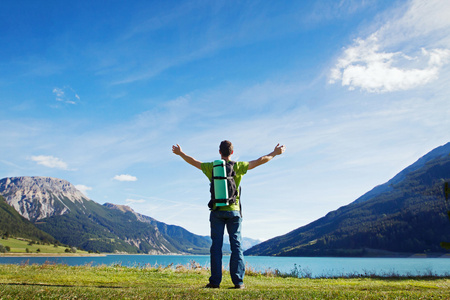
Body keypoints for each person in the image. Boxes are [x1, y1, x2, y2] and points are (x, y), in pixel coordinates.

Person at [172, 140, 286, 289]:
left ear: (219, 152)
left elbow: (194, 162)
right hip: (234, 212)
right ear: (232, 153)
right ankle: (238, 282)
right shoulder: (238, 166)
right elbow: (259, 161)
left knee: (216, 247)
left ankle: (214, 282)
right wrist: (275, 153)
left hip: (217, 211)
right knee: (236, 246)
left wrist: (181, 153)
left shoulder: (212, 167)